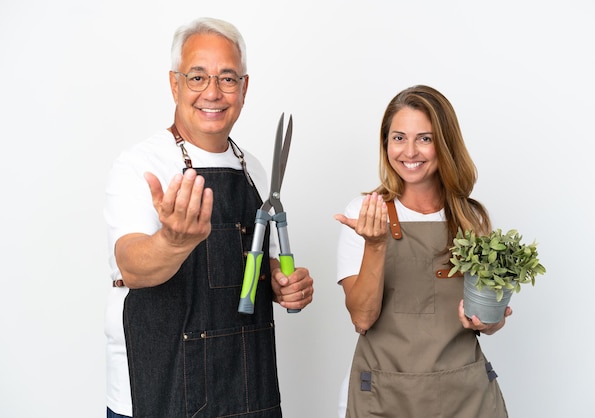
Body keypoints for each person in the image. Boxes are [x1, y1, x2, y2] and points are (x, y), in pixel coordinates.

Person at [104, 17, 314, 418]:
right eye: (197, 77)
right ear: (175, 84)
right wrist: (173, 242)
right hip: (161, 386)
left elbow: (256, 265)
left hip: (247, 383)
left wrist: (284, 284)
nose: (213, 93)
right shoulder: (139, 165)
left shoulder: (252, 167)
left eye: (228, 79)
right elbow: (131, 267)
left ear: (244, 88)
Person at [334, 85, 510, 417]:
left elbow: (489, 319)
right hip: (382, 397)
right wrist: (375, 244)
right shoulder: (365, 213)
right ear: (385, 143)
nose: (409, 151)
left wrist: (488, 321)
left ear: (445, 144)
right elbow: (361, 318)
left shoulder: (474, 220)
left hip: (466, 397)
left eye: (425, 139)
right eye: (398, 138)